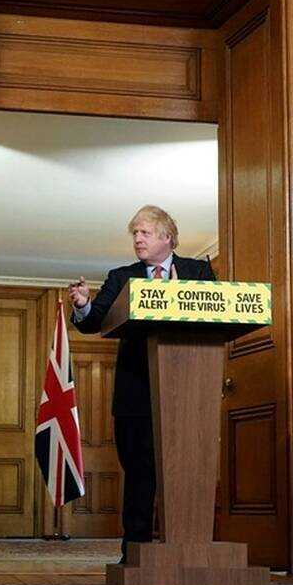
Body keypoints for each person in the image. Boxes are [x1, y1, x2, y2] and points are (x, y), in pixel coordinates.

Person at [68, 205, 215, 563]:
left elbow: (215, 316)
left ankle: (189, 550)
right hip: (135, 394)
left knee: (186, 472)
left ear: (167, 237)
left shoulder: (198, 271)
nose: (137, 239)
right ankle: (135, 552)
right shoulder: (122, 277)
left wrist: (180, 299)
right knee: (138, 473)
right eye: (135, 233)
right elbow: (93, 321)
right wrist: (84, 305)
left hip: (188, 391)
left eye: (145, 232)